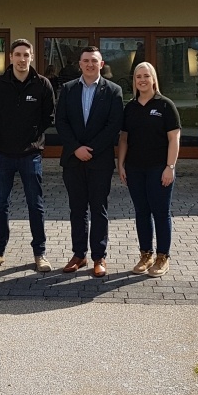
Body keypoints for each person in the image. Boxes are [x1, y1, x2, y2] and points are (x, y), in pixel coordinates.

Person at [0, 38, 56, 273]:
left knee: (36, 205)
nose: (22, 59)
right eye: (18, 55)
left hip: (30, 154)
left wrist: (32, 138)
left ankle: (40, 254)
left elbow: (48, 117)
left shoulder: (42, 84)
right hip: (3, 154)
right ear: (11, 57)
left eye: (26, 55)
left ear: (32, 57)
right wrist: (5, 134)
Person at [54, 45, 124, 277]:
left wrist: (90, 150)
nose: (90, 64)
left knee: (99, 209)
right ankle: (79, 254)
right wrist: (76, 148)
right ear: (80, 64)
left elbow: (113, 126)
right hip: (73, 160)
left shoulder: (113, 91)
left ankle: (99, 256)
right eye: (86, 61)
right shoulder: (68, 89)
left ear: (101, 64)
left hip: (99, 160)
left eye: (94, 61)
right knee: (77, 209)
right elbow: (61, 122)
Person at [117, 62, 181, 277]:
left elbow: (174, 139)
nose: (142, 80)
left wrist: (170, 167)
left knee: (161, 213)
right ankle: (146, 254)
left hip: (159, 169)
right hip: (135, 169)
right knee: (141, 213)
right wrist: (121, 164)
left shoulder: (165, 106)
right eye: (138, 77)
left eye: (146, 76)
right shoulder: (130, 107)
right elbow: (124, 138)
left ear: (153, 79)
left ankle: (163, 257)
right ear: (134, 81)